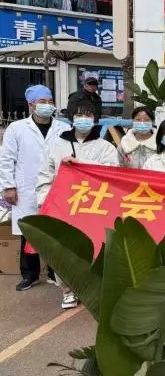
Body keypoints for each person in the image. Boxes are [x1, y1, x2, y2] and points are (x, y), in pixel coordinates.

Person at [36, 101, 118, 310]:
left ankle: (95, 288)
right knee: (64, 250)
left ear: (95, 119)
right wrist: (45, 202)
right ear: (71, 118)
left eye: (88, 115)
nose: (83, 119)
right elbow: (45, 176)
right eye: (79, 115)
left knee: (96, 248)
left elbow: (112, 173)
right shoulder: (56, 145)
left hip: (95, 207)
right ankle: (68, 290)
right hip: (64, 207)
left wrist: (84, 165)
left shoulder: (105, 147)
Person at [0, 85, 69, 292]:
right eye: (42, 102)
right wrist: (8, 186)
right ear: (31, 105)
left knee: (56, 231)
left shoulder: (63, 128)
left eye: (50, 101)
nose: (47, 105)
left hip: (55, 186)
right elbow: (6, 159)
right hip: (26, 188)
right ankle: (29, 274)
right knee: (28, 231)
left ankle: (55, 272)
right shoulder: (16, 128)